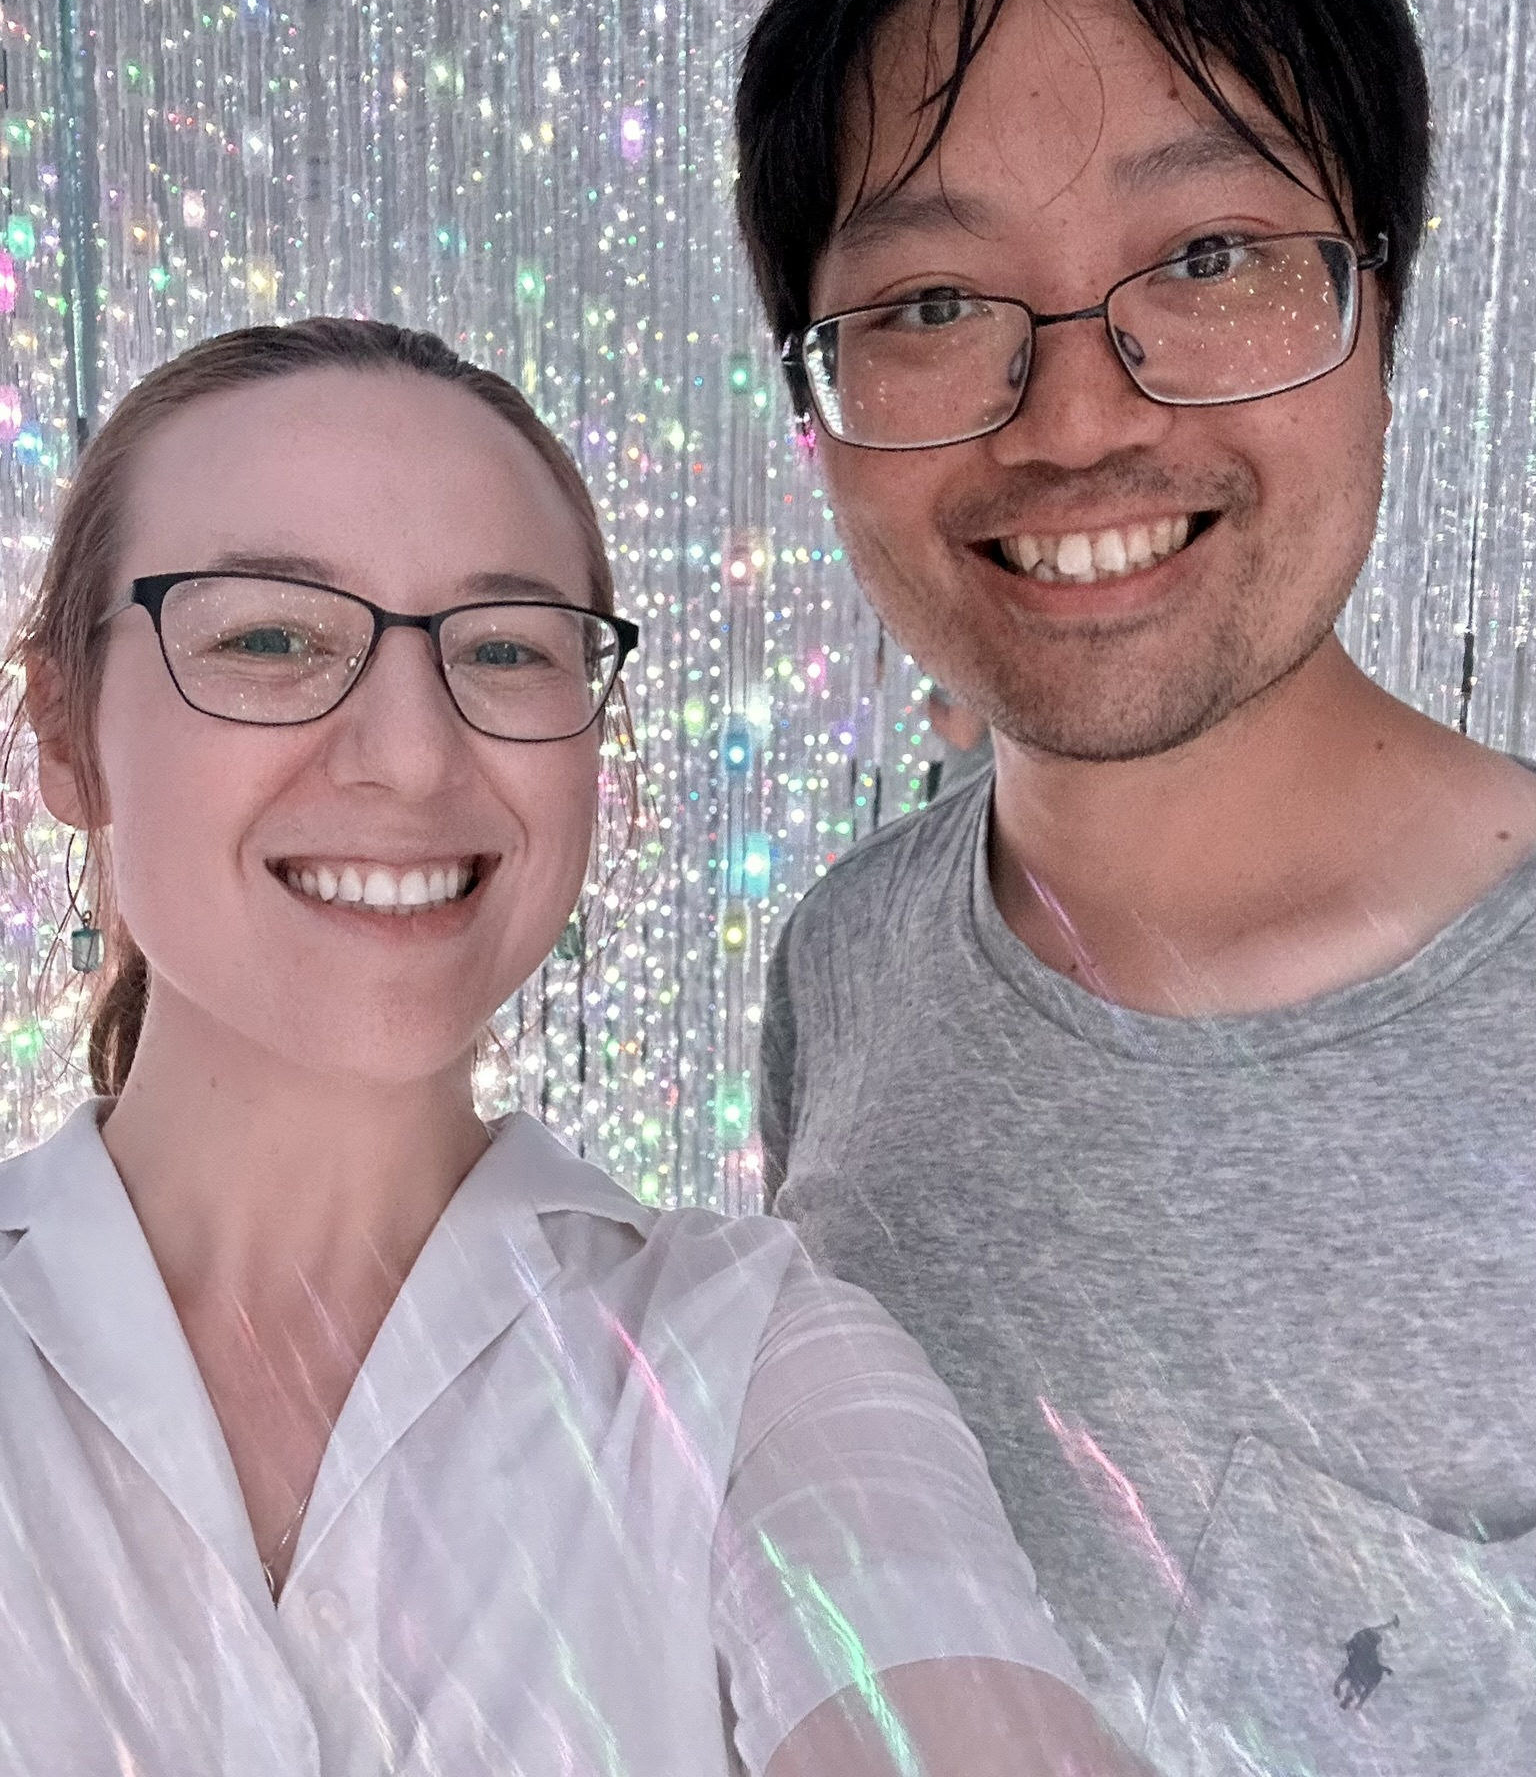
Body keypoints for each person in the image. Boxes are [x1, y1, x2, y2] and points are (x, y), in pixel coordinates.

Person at [0, 318, 1149, 1777]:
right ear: (64, 728)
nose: (411, 755)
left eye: (504, 649)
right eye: (272, 638)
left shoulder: (752, 1369)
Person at [736, 0, 1536, 1775]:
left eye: (1208, 258)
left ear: (1383, 315)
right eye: (930, 304)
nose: (1081, 415)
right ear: (818, 408)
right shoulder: (844, 967)